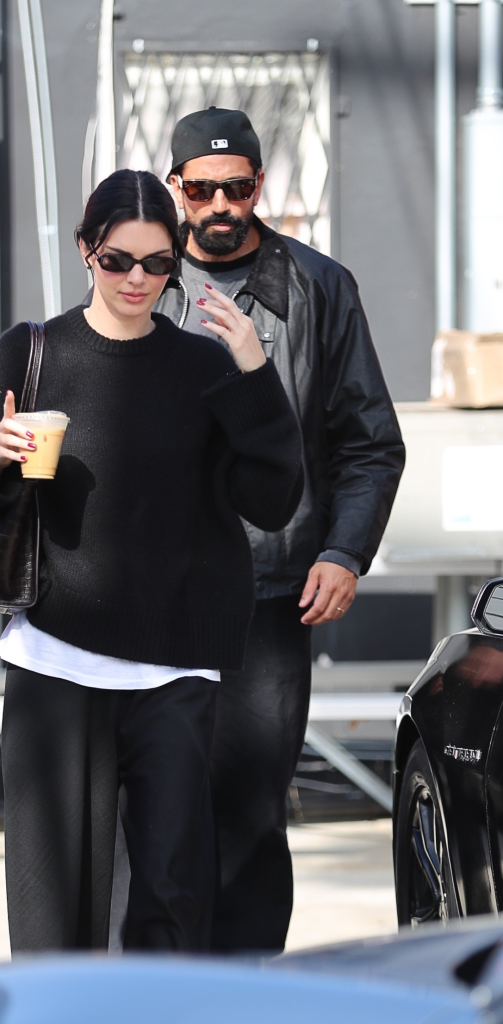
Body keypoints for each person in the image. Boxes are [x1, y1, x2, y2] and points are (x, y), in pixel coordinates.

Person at [0, 168, 303, 954]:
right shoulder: (32, 352)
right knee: (53, 896)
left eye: (157, 262)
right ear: (85, 251)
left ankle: (161, 1010)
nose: (137, 279)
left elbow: (273, 500)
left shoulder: (204, 366)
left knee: (172, 891)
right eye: (117, 260)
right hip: (54, 656)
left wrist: (252, 370)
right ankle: (56, 1010)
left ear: (176, 260)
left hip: (174, 665)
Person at [155, 107, 406, 952]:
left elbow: (370, 441)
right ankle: (155, 987)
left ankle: (245, 986)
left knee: (250, 809)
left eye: (236, 187)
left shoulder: (317, 285)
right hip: (151, 592)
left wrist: (344, 551)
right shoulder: (140, 273)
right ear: (176, 188)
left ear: (259, 184)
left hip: (268, 594)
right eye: (201, 190)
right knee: (150, 804)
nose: (220, 205)